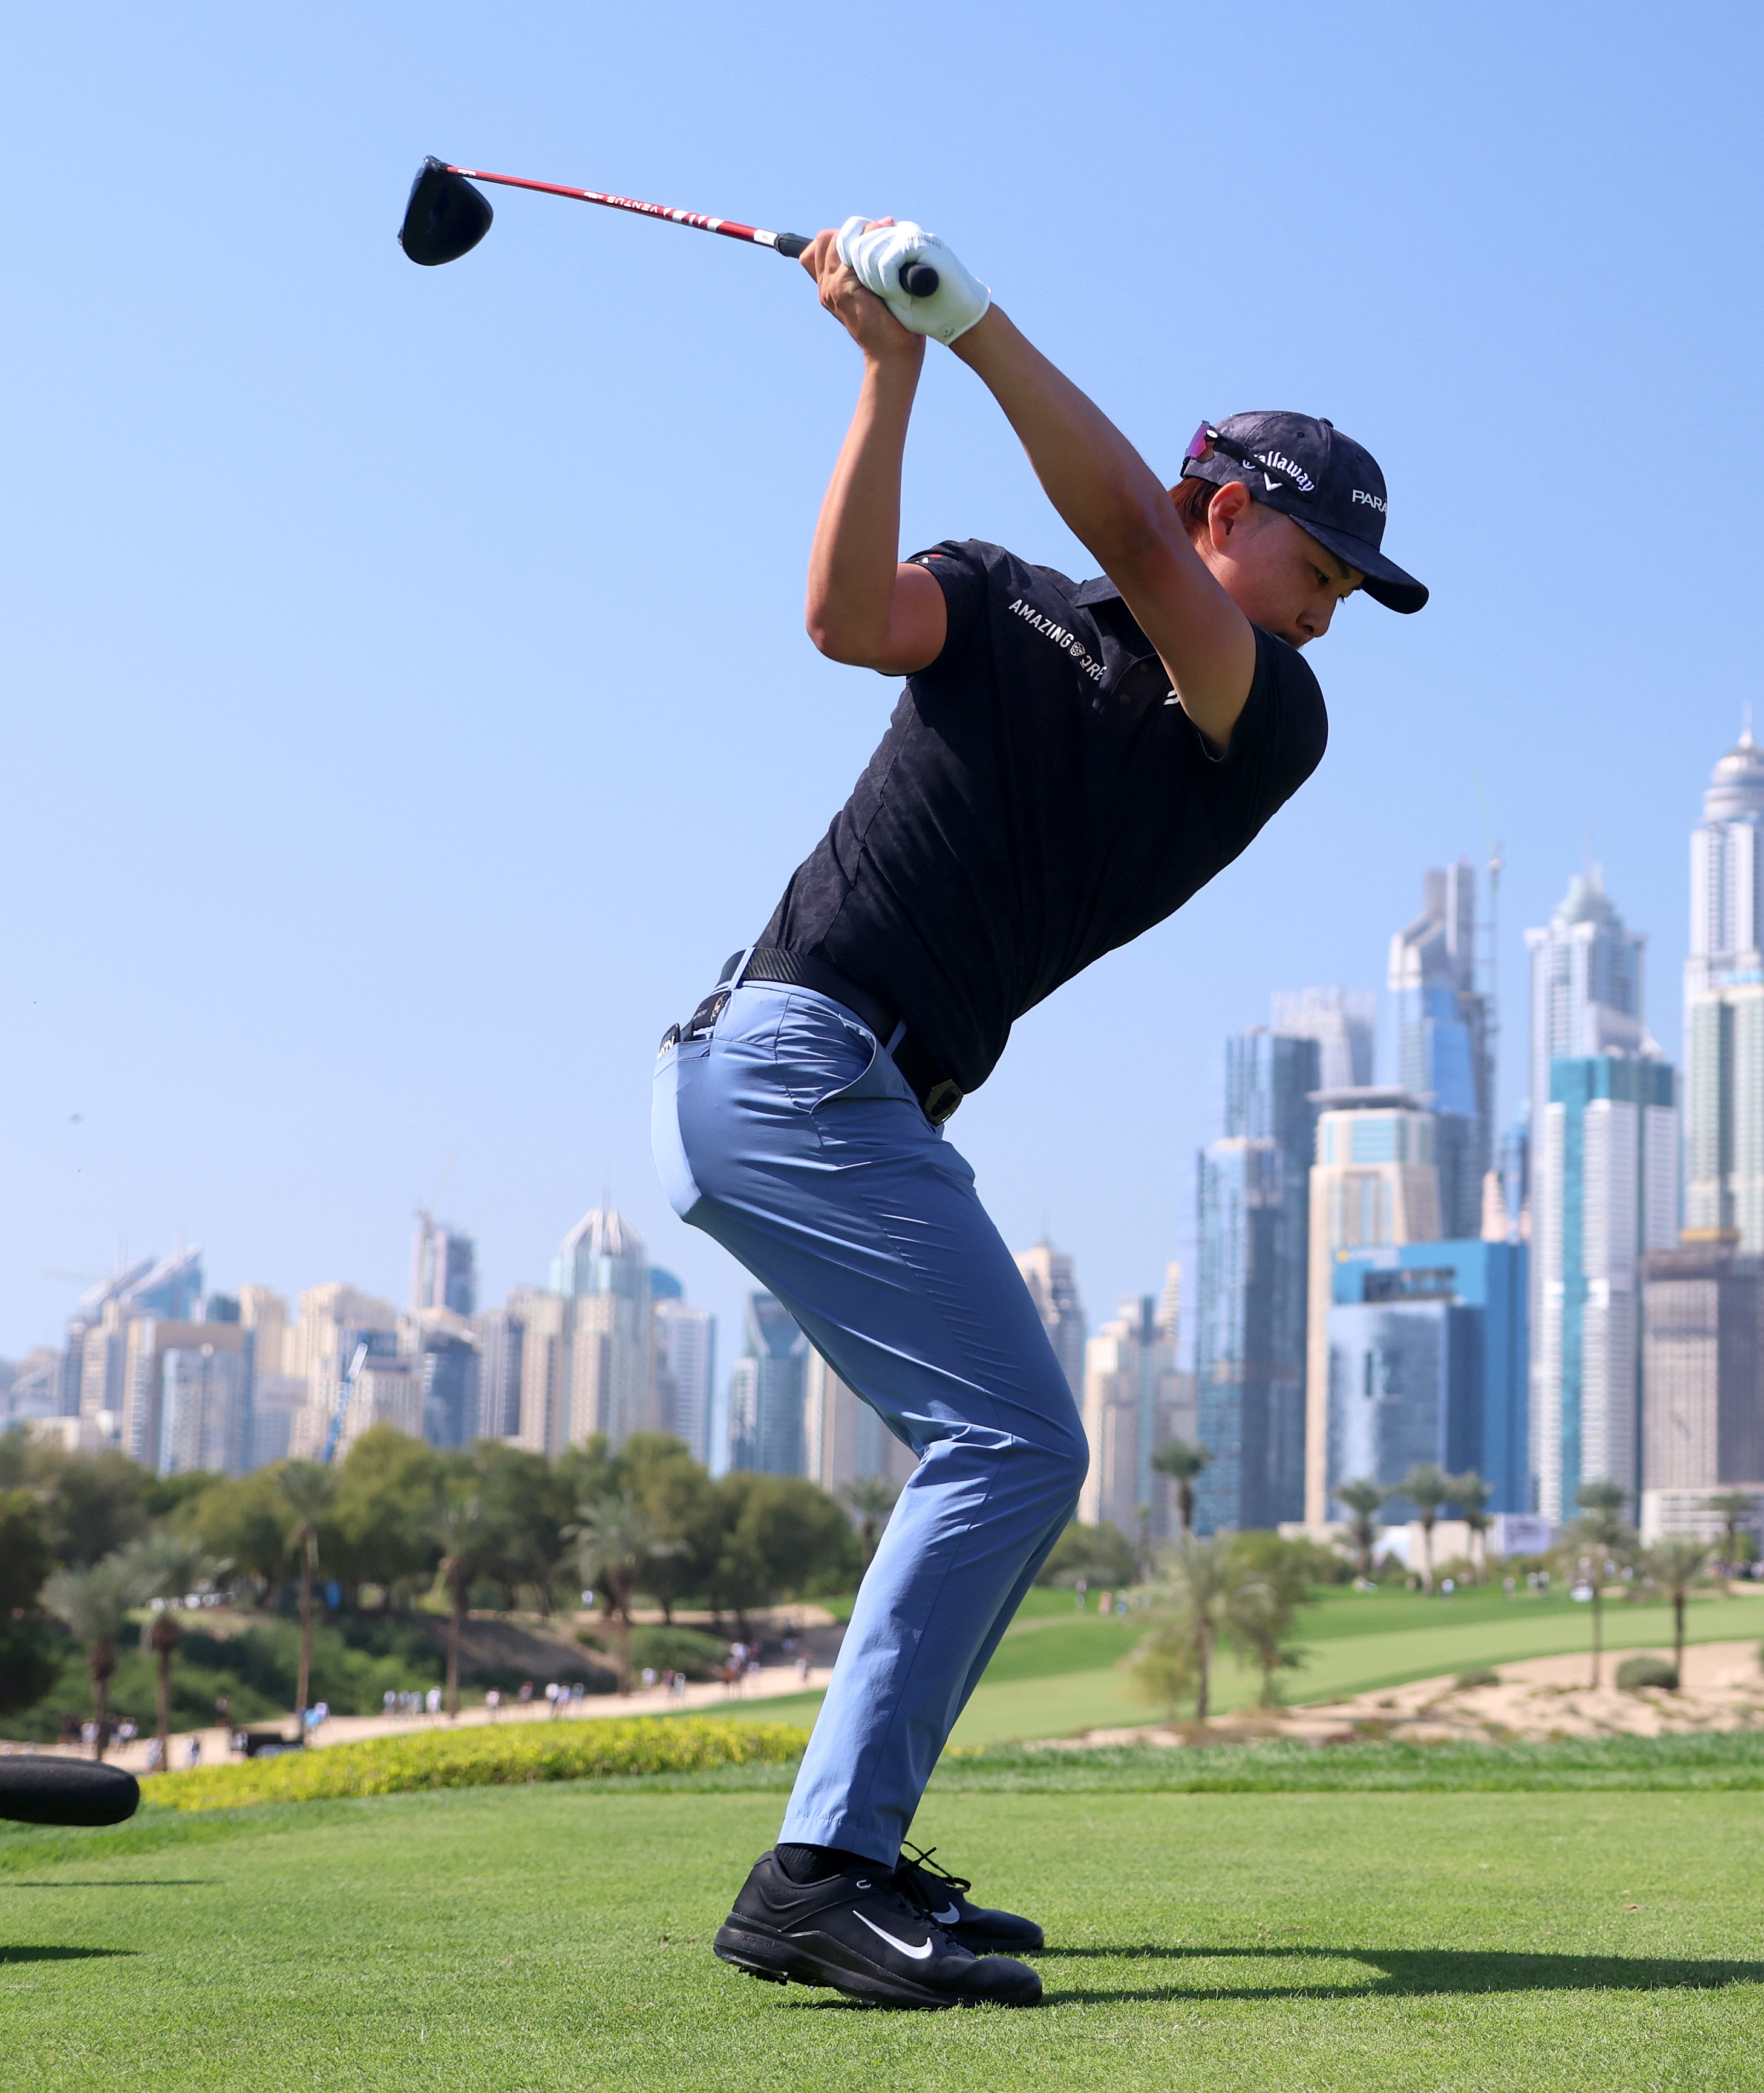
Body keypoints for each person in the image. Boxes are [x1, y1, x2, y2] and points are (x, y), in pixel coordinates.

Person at [665, 215, 1423, 2013]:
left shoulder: (1269, 713)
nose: (1335, 609)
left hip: (861, 1095)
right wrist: (896, 365)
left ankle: (859, 1846)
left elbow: (1139, 550)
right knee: (1017, 1443)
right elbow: (847, 619)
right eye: (1326, 563)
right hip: (789, 1058)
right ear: (1230, 505)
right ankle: (822, 1872)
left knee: (1008, 1450)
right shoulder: (999, 603)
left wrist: (967, 327)